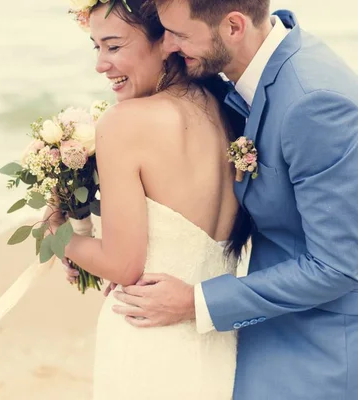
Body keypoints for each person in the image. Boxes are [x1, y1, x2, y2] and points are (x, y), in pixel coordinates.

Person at [106, 1, 358, 398]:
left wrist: (195, 301)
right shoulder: (245, 79)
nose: (167, 46)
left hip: (315, 353)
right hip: (258, 333)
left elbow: (339, 265)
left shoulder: (314, 103)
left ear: (234, 27)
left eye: (180, 35)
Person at [48, 0, 250, 398]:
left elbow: (122, 265)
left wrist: (55, 235)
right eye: (96, 47)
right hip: (216, 344)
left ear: (167, 41)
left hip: (147, 342)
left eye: (114, 46)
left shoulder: (125, 123)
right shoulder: (229, 113)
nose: (101, 64)